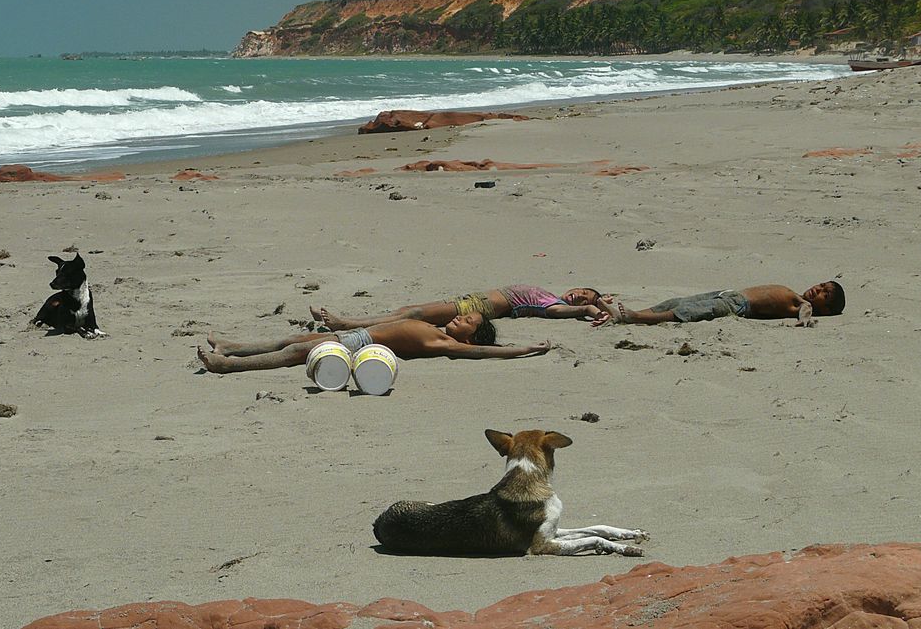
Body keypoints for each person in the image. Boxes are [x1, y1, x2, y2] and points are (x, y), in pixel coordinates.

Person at [196, 312, 553, 374]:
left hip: (358, 346)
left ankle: (228, 365)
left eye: (467, 322)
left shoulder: (449, 345)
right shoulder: (440, 330)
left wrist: (524, 349)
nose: (460, 318)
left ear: (469, 335)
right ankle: (232, 346)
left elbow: (484, 352)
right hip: (357, 337)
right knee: (293, 339)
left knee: (294, 353)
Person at [310, 284, 606, 331]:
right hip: (477, 300)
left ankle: (346, 324)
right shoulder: (552, 294)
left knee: (413, 315)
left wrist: (595, 309)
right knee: (411, 310)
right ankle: (353, 322)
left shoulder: (553, 305)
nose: (576, 296)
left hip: (481, 306)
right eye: (579, 291)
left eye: (582, 297)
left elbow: (571, 312)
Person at [592, 281, 845, 328]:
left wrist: (805, 320)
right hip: (729, 293)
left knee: (690, 311)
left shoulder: (800, 302)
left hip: (739, 306)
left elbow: (805, 311)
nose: (817, 289)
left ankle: (637, 317)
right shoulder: (792, 291)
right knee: (677, 301)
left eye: (824, 294)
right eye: (821, 285)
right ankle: (623, 316)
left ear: (827, 309)